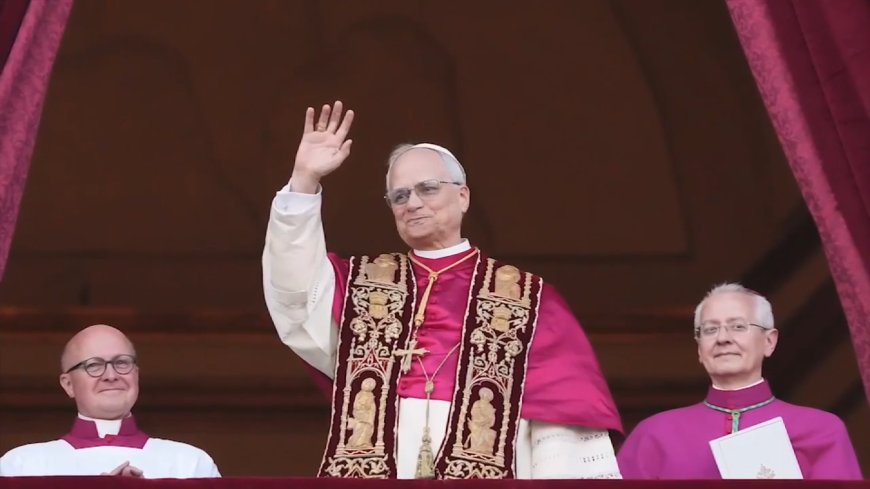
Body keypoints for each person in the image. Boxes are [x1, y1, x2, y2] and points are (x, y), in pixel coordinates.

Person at [262, 101, 623, 479]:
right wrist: (304, 182)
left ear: (463, 196)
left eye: (428, 189)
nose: (412, 202)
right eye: (399, 196)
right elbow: (296, 292)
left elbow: (561, 421)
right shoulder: (362, 286)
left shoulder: (528, 298)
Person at [617, 283, 862, 480]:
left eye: (737, 326)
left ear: (769, 341)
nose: (723, 338)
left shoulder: (821, 430)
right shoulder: (653, 435)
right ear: (700, 349)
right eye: (710, 329)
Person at [0, 324, 220, 478]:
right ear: (68, 384)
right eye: (93, 365)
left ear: (136, 374)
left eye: (122, 363)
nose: (111, 375)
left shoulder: (190, 463)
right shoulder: (22, 466)